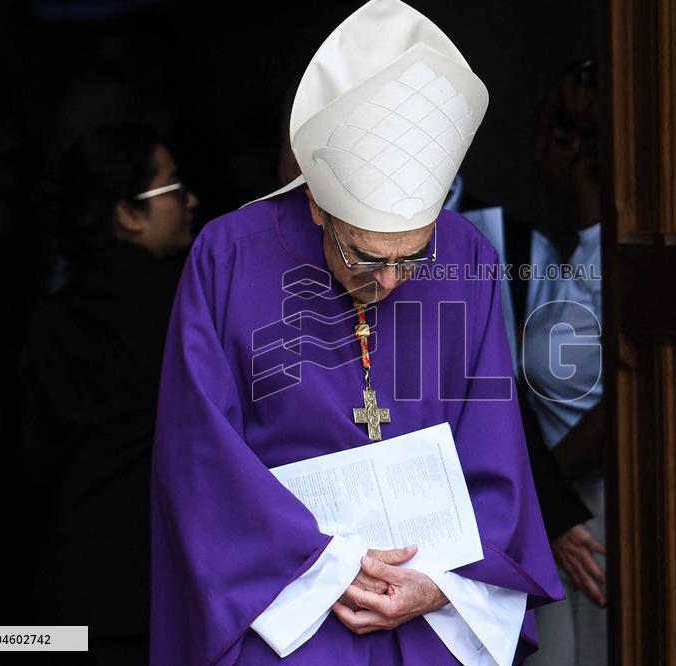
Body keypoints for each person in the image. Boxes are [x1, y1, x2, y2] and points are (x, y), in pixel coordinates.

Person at [150, 1, 562, 664]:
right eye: (368, 256)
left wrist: (445, 582)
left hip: (432, 613)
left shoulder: (468, 256)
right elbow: (199, 455)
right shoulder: (227, 257)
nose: (394, 280)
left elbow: (496, 448)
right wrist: (330, 566)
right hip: (287, 608)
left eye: (413, 255)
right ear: (316, 201)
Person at [23, 123, 198, 664]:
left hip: (74, 574)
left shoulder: (49, 318)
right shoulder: (183, 301)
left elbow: (34, 453)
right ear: (127, 214)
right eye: (171, 188)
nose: (191, 200)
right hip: (161, 576)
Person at [521, 58, 608, 666]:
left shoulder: (618, 262)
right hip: (554, 500)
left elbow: (623, 407)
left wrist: (543, 490)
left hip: (592, 501)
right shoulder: (555, 260)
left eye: (556, 127)